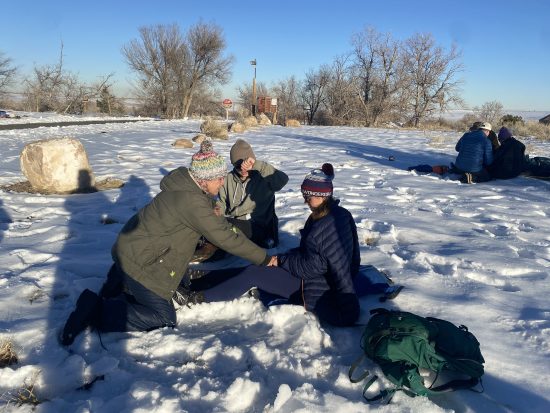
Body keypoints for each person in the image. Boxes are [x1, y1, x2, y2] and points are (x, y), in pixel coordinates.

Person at [61, 140, 275, 346]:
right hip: (141, 261)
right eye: (218, 179)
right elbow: (225, 237)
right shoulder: (192, 202)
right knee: (163, 317)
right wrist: (264, 258)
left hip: (132, 250)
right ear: (204, 179)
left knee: (171, 280)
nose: (222, 182)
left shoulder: (188, 189)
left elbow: (214, 222)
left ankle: (118, 281)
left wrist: (215, 209)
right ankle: (96, 311)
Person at [182, 163, 362, 327]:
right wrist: (286, 258)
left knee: (253, 273)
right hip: (313, 276)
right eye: (304, 195)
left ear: (323, 195)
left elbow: (316, 267)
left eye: (309, 196)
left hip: (312, 286)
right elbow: (343, 256)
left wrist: (282, 261)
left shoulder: (325, 225)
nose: (305, 200)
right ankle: (201, 279)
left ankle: (197, 298)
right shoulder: (338, 214)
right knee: (257, 266)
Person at [218, 139, 289, 248]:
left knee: (227, 230)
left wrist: (258, 166)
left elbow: (282, 180)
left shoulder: (265, 177)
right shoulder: (227, 179)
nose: (243, 170)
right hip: (236, 226)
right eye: (239, 166)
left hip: (262, 229)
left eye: (246, 165)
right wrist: (216, 212)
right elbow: (221, 204)